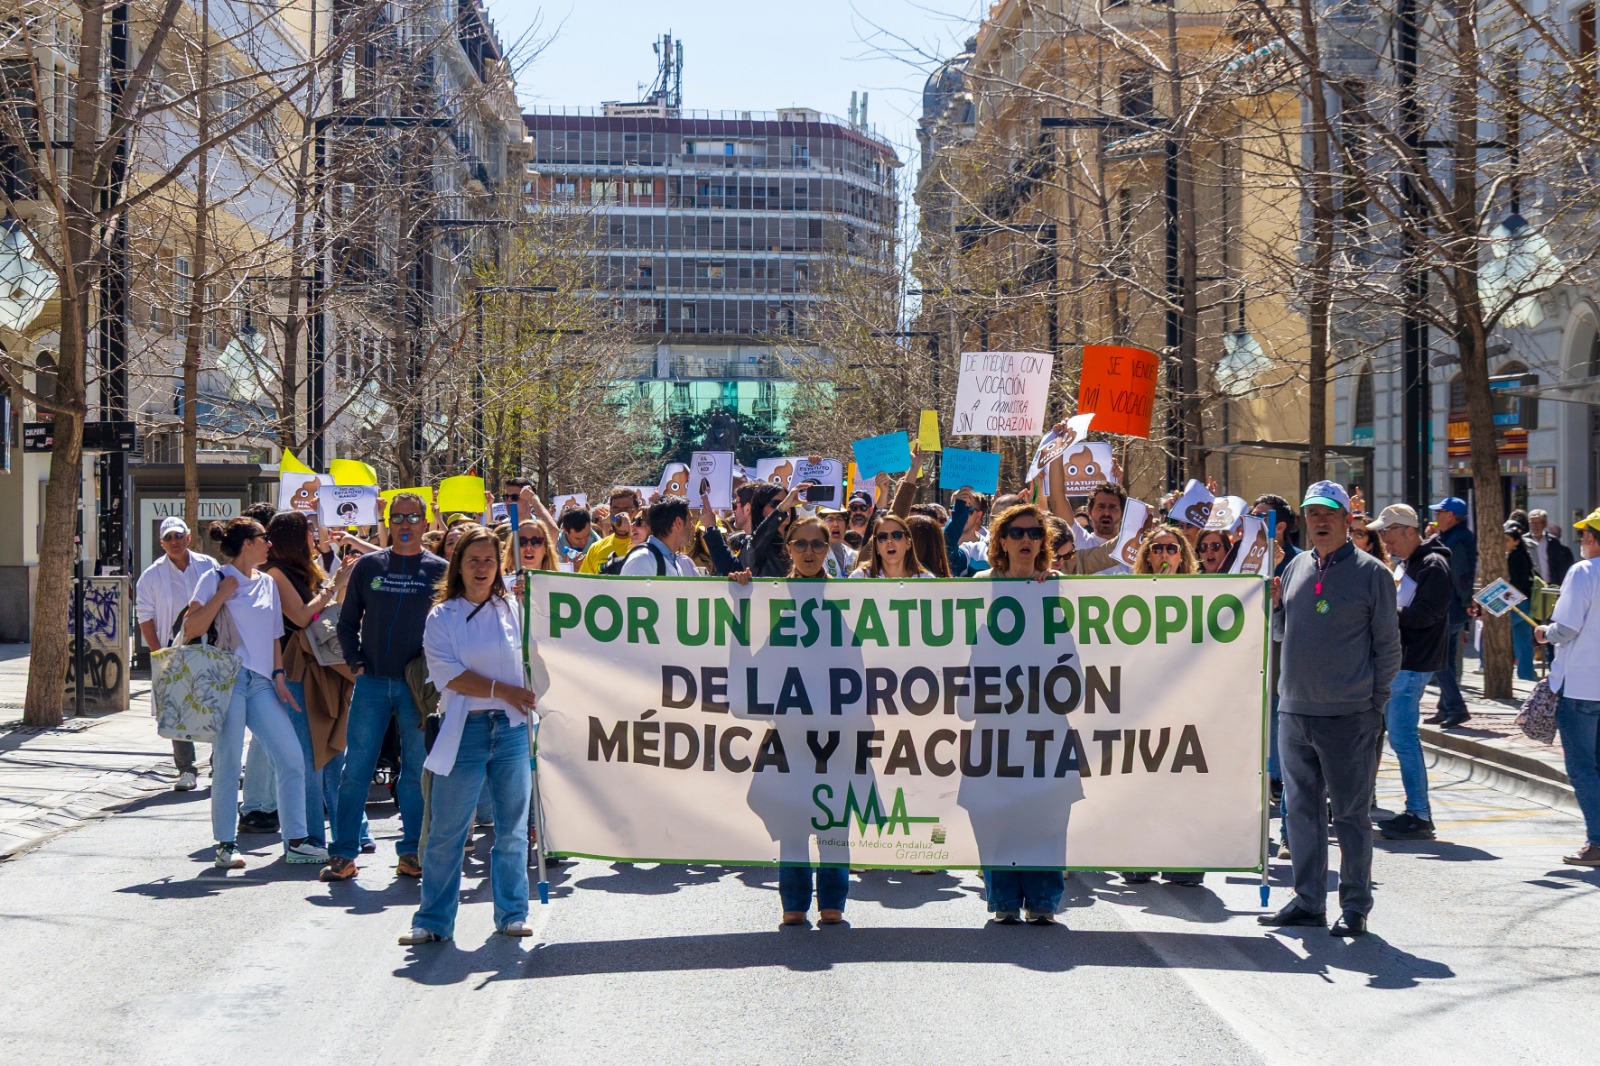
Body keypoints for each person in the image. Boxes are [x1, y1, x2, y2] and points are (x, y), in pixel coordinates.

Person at [1260, 481, 1400, 937]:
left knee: (1350, 816)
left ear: (1346, 521)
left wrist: (1373, 705)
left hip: (1349, 715)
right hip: (1295, 712)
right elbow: (1281, 634)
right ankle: (1307, 901)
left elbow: (1388, 648)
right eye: (1312, 514)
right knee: (1299, 813)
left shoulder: (1373, 573)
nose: (1319, 521)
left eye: (1329, 514)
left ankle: (1355, 905)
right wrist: (1277, 608)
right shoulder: (1297, 565)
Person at [402, 526, 540, 944]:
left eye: (489, 560)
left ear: (499, 565)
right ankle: (432, 921)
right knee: (448, 831)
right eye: (473, 560)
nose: (482, 568)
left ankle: (513, 913)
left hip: (513, 731)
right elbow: (450, 677)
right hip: (465, 731)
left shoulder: (516, 608)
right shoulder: (441, 617)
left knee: (513, 829)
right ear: (457, 566)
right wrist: (505, 691)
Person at [184, 519, 328, 869]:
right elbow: (191, 627)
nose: (269, 544)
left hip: (263, 683)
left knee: (290, 757)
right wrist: (222, 594)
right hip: (227, 680)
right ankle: (225, 844)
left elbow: (275, 636)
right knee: (229, 762)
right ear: (247, 543)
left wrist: (279, 674)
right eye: (264, 539)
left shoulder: (267, 583)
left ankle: (295, 841)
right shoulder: (215, 578)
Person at [322, 492, 448, 882]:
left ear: (426, 523)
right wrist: (356, 662)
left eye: (413, 517)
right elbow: (345, 623)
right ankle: (343, 854)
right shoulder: (368, 566)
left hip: (417, 689)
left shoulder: (442, 570)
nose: (406, 524)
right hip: (372, 683)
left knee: (413, 773)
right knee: (355, 771)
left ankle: (410, 852)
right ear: (388, 523)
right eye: (399, 517)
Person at [773, 514, 850, 924]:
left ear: (828, 549)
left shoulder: (848, 597)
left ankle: (833, 898)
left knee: (834, 815)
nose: (808, 552)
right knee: (792, 820)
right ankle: (794, 901)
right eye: (799, 544)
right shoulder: (771, 596)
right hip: (790, 729)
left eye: (817, 545)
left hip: (840, 730)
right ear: (788, 549)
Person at [264, 510, 350, 852]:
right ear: (294, 537)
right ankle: (312, 836)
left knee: (333, 753)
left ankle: (346, 833)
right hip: (296, 669)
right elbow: (301, 617)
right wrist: (334, 584)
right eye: (309, 530)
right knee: (310, 755)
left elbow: (325, 613)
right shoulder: (275, 572)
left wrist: (340, 583)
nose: (315, 535)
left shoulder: (306, 568)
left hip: (323, 666)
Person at [1126, 524, 1204, 887]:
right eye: (1156, 549)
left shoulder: (1204, 594)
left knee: (1184, 784)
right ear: (1145, 556)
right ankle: (1139, 856)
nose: (1164, 555)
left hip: (1187, 703)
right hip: (1141, 703)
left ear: (1183, 555)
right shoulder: (1127, 593)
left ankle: (1182, 861)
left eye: (1172, 549)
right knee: (1141, 782)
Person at [1368, 504, 1452, 841]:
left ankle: (1419, 813)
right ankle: (1416, 811)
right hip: (1403, 662)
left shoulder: (1433, 564)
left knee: (1403, 737)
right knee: (1400, 737)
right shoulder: (1414, 562)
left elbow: (1428, 614)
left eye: (1387, 533)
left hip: (1412, 663)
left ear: (1407, 530)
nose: (1383, 540)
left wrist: (1386, 612)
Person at [1535, 508, 1600, 866]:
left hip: (1581, 685)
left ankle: (1598, 842)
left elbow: (1567, 626)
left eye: (1584, 536)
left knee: (1582, 766)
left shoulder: (1583, 572)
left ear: (1591, 538)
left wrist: (1545, 633)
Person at [136, 516, 218, 792]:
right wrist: (159, 653)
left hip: (208, 644)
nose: (174, 542)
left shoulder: (208, 566)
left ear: (188, 538)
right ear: (161, 543)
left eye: (178, 536)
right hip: (173, 647)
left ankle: (220, 763)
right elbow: (145, 616)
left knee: (215, 703)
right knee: (177, 707)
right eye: (168, 538)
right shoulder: (151, 576)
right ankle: (186, 768)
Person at [1426, 496, 1477, 727]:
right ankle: (1445, 707)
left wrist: (1467, 600)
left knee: (1440, 661)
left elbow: (1461, 575)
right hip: (1451, 607)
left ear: (1450, 516)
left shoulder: (1456, 539)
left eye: (1439, 513)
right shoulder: (1450, 537)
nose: (1435, 518)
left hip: (1449, 607)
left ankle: (1456, 708)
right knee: (1447, 660)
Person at [620, 496, 701, 576]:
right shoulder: (642, 560)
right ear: (678, 523)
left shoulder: (674, 561)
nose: (692, 527)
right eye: (689, 521)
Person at [1501, 521, 1538, 682]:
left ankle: (1524, 672)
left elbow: (1517, 582)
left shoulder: (1515, 557)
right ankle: (1526, 673)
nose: (1504, 543)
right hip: (1524, 601)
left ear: (1516, 541)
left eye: (1507, 540)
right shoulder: (1522, 555)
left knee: (1509, 635)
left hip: (1516, 601)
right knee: (1522, 640)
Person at [850, 512, 933, 579]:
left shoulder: (926, 580)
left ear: (908, 543)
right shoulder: (860, 577)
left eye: (897, 535)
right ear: (876, 547)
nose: (889, 541)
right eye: (882, 537)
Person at [579, 488, 643, 573]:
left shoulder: (645, 544)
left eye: (627, 509)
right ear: (610, 511)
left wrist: (630, 530)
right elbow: (585, 583)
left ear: (637, 512)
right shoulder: (596, 548)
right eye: (616, 509)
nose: (621, 513)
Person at [1526, 509, 1574, 586]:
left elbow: (1558, 566)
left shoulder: (1553, 542)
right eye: (1532, 523)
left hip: (1550, 585)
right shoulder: (1524, 541)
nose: (1535, 527)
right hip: (1531, 586)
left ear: (1545, 524)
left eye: (1538, 523)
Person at [1132, 526, 1198, 576]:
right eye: (1157, 548)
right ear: (1148, 556)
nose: (1164, 554)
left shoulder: (1195, 588)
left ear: (1181, 556)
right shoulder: (1135, 588)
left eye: (1172, 548)